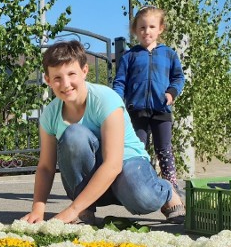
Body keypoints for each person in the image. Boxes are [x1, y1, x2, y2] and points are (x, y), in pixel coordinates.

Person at [21, 40, 185, 225]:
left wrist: (70, 210)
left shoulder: (105, 99)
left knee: (143, 198)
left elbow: (113, 165)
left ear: (84, 71)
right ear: (48, 80)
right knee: (74, 135)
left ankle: (167, 190)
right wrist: (38, 209)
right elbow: (45, 167)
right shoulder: (51, 114)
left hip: (125, 165)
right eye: (57, 78)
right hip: (92, 178)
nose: (65, 84)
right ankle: (85, 209)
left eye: (71, 74)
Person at [113, 5, 185, 212]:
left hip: (161, 110)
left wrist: (172, 92)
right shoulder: (129, 56)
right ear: (135, 30)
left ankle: (172, 187)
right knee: (139, 149)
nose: (147, 31)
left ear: (160, 29)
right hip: (136, 111)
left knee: (164, 149)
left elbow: (178, 77)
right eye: (142, 27)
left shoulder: (169, 54)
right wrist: (117, 102)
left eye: (152, 27)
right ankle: (145, 183)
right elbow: (119, 82)